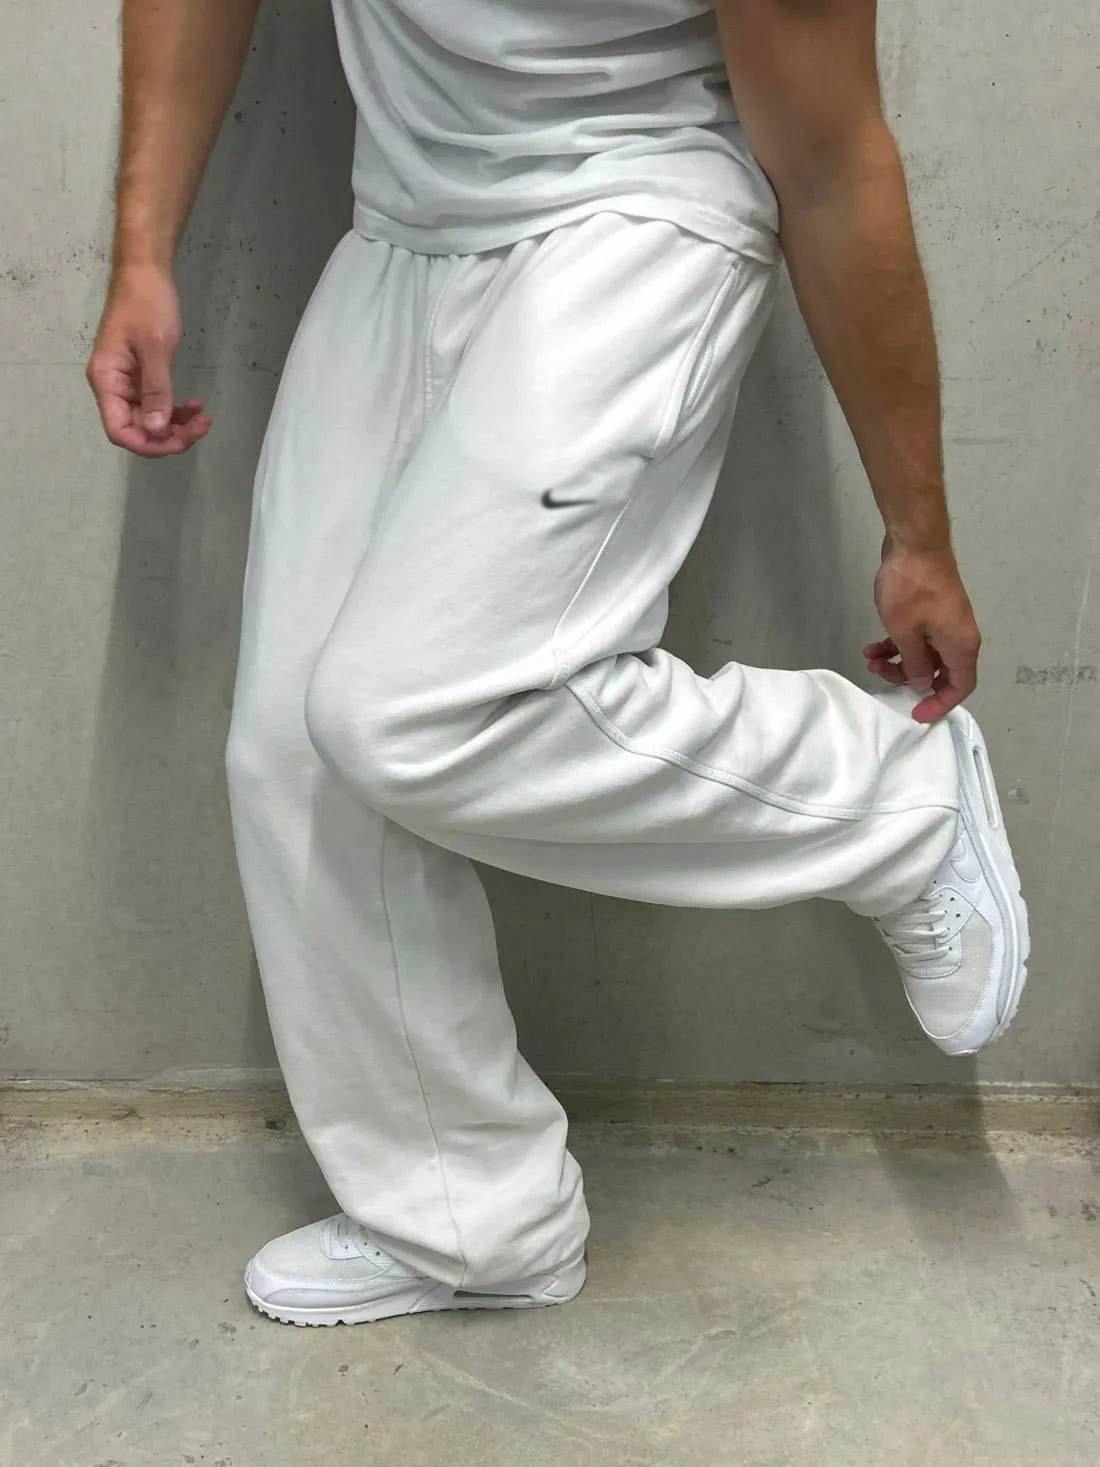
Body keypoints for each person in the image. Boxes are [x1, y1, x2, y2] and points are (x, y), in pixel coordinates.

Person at [87, 0, 1029, 1328]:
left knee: (410, 712)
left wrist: (916, 528)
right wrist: (143, 251)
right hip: (405, 226)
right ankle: (472, 1223)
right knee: (295, 757)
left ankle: (891, 795)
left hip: (635, 206)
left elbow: (828, 160)